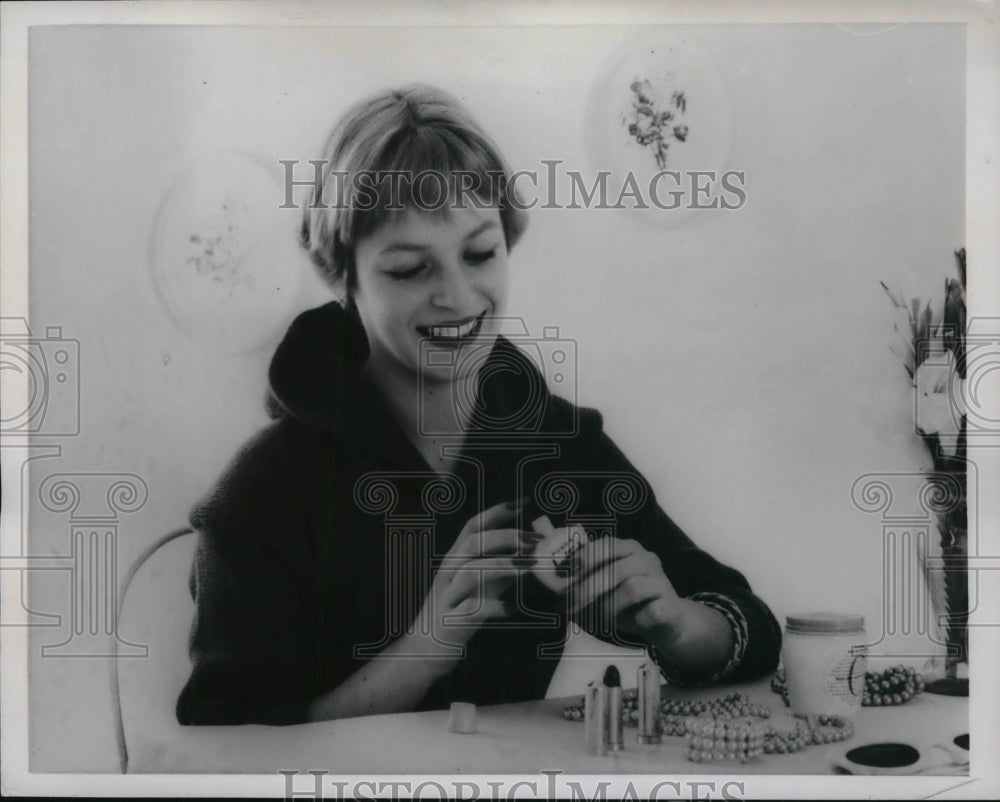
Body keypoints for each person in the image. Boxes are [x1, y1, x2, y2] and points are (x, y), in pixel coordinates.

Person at [176, 85, 781, 726]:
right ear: (341, 276)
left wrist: (674, 623)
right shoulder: (263, 493)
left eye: (479, 254)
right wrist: (425, 648)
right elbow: (222, 750)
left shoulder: (557, 443)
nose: (458, 296)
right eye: (411, 269)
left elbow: (751, 628)